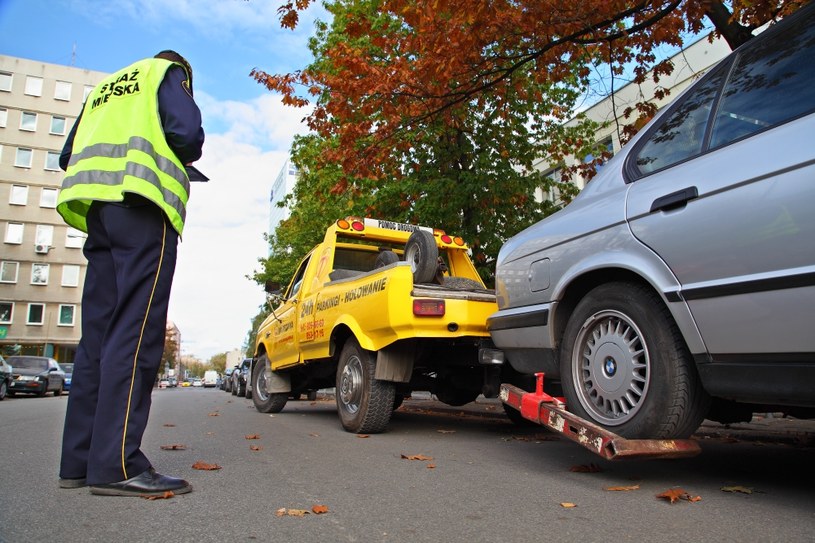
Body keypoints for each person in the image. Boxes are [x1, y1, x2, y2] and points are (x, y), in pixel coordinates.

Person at [56, 50, 205, 497]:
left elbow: (69, 154)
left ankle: (78, 463)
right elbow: (187, 133)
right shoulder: (168, 72)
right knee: (135, 333)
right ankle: (117, 464)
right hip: (142, 209)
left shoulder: (104, 90)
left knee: (96, 339)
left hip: (100, 214)